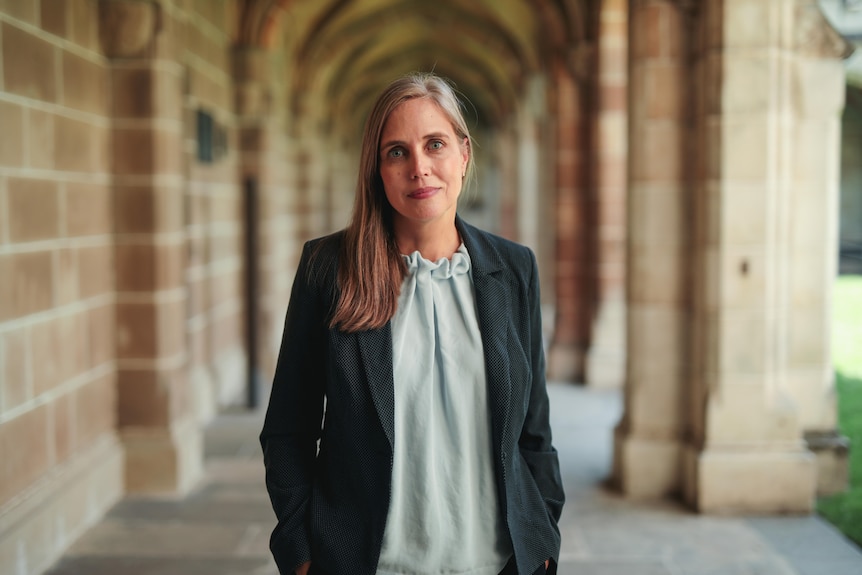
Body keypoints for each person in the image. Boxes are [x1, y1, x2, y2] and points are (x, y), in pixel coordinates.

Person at [260, 72, 565, 575]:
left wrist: (543, 537)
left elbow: (534, 431)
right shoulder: (327, 269)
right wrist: (301, 555)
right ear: (377, 170)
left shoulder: (513, 270)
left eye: (435, 144)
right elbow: (287, 431)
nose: (419, 168)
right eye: (397, 152)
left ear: (464, 154)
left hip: (500, 564)